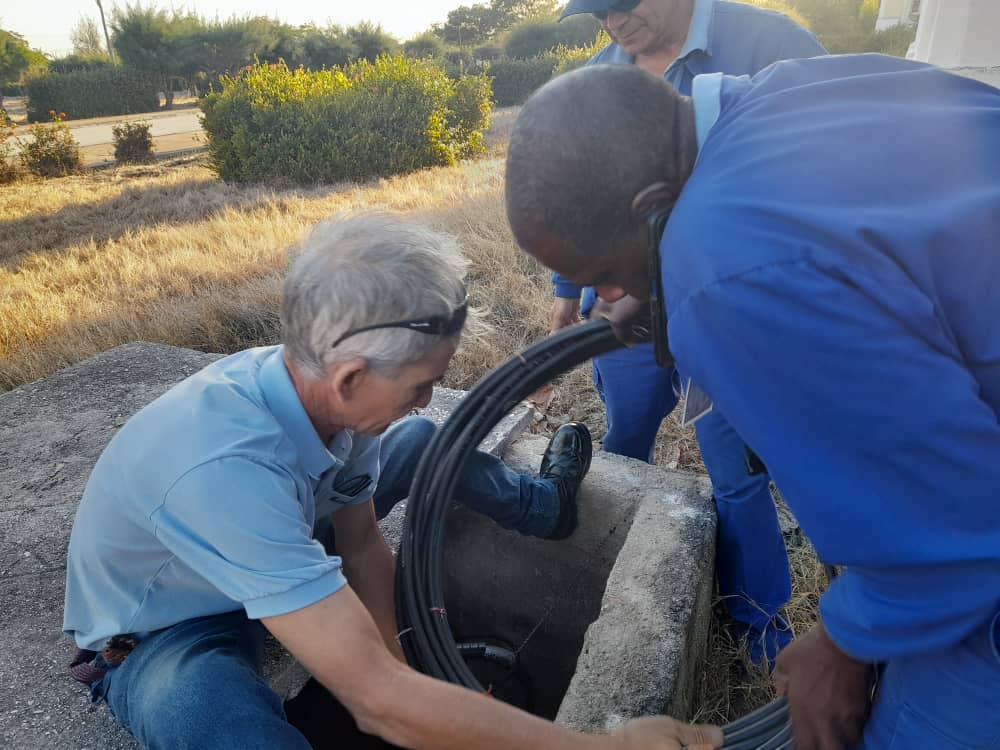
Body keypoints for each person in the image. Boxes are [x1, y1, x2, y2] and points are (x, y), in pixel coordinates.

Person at [63, 213, 722, 750]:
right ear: (349, 376)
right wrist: (600, 747)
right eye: (421, 385)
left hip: (273, 540)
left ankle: (541, 508)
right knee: (213, 717)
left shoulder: (327, 402)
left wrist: (400, 671)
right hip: (167, 628)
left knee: (425, 441)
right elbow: (375, 703)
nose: (426, 395)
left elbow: (360, 544)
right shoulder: (222, 468)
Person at [504, 57, 1000, 750]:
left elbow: (961, 531)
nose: (612, 299)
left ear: (650, 205)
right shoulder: (786, 90)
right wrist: (657, 282)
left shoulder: (725, 269)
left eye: (608, 276)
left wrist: (845, 645)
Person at [549, 0, 827, 665]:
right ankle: (616, 590)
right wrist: (566, 292)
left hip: (731, 315)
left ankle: (757, 628)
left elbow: (823, 173)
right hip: (624, 309)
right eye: (597, 13)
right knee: (623, 446)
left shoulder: (770, 44)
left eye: (622, 3)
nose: (613, 22)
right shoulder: (598, 76)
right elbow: (577, 195)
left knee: (735, 470)